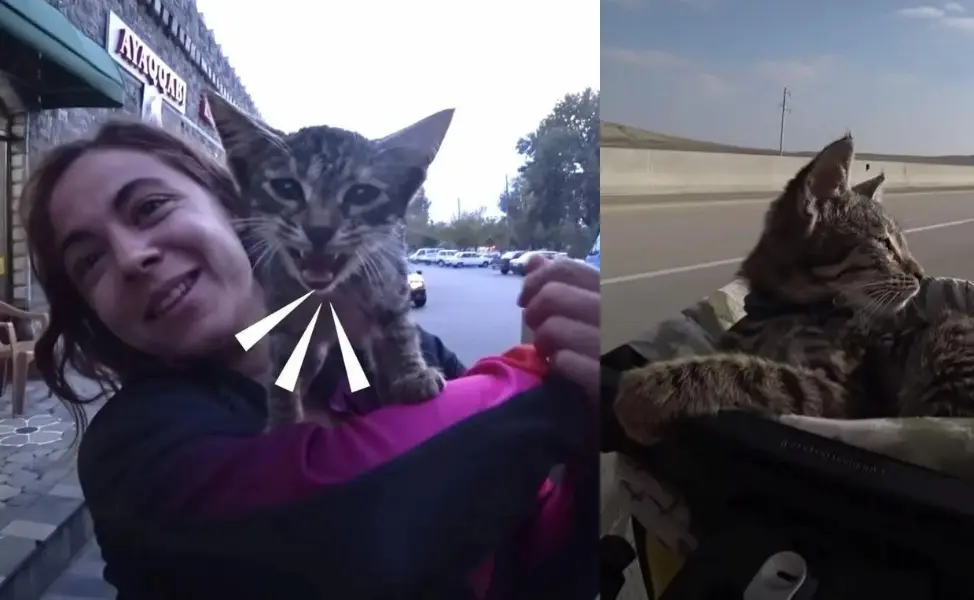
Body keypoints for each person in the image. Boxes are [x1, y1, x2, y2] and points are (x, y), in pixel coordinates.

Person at [21, 120, 601, 599]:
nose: (130, 257)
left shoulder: (408, 354)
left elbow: (532, 533)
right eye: (89, 261)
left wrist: (591, 424)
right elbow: (357, 512)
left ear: (231, 204)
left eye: (149, 208)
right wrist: (548, 380)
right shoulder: (136, 453)